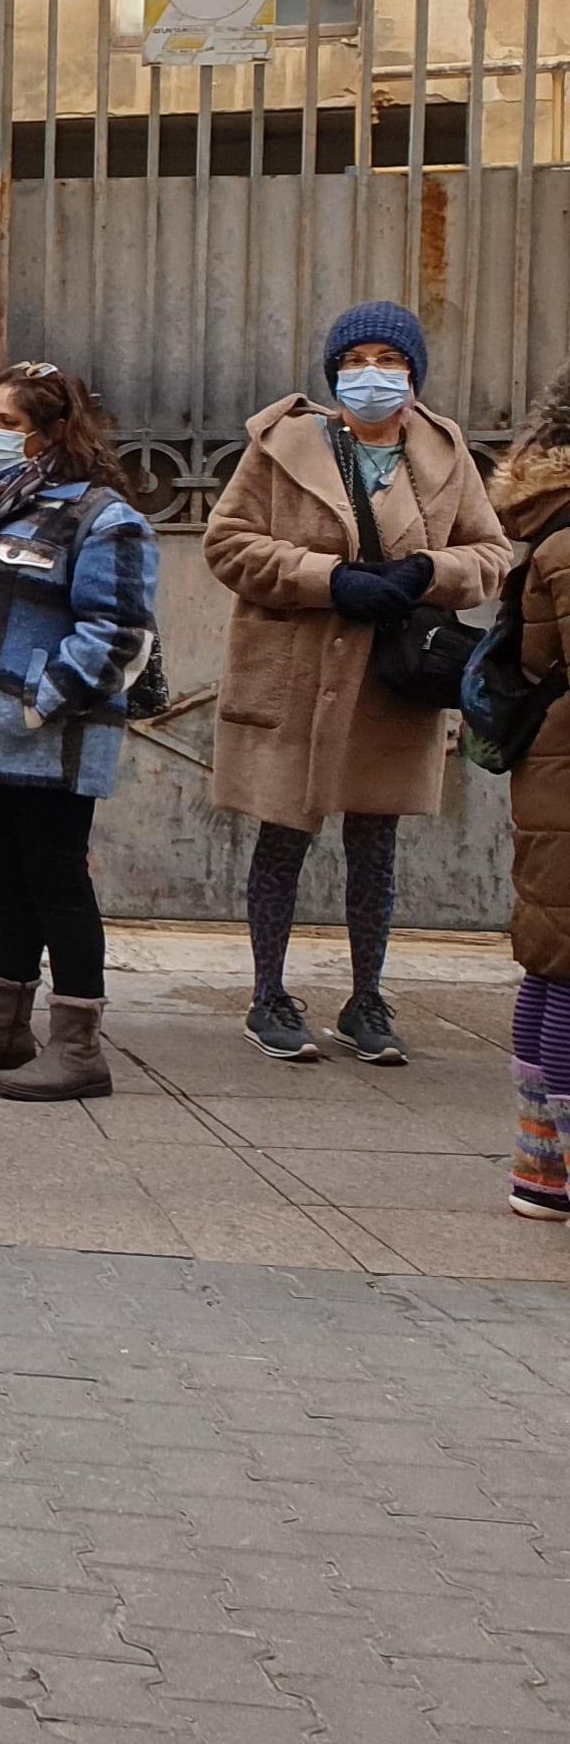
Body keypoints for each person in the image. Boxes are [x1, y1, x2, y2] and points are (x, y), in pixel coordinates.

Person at [203, 302, 512, 1066]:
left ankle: (367, 998)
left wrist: (429, 571)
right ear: (333, 370)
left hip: (389, 680)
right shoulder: (281, 444)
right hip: (297, 672)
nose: (372, 373)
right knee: (284, 834)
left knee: (376, 842)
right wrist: (328, 579)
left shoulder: (443, 453)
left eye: (389, 359)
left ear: (413, 372)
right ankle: (269, 994)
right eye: (356, 359)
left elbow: (493, 553)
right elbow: (228, 542)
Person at [0, 363, 162, 1103]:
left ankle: (78, 1045)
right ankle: (3, 1023)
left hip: (45, 738)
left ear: (52, 433)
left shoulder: (101, 518)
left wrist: (40, 701)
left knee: (57, 880)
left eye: (9, 423)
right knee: (4, 876)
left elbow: (120, 636)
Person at [491, 365, 570, 1219]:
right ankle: (553, 1172)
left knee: (553, 968)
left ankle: (542, 1172)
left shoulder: (552, 521)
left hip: (552, 772)